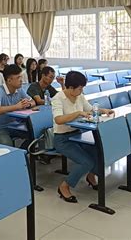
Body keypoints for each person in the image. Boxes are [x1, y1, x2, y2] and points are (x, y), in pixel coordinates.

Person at [52, 71, 114, 203]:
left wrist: (104, 111)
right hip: (62, 139)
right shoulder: (58, 98)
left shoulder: (79, 96)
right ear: (70, 88)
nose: (81, 90)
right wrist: (78, 113)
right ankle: (64, 186)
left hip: (78, 134)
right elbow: (58, 119)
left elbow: (90, 109)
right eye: (80, 88)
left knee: (98, 152)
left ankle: (90, 177)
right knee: (86, 162)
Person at [0, 64, 35, 146]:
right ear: (9, 81)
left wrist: (28, 104)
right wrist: (17, 106)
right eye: (18, 78)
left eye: (21, 77)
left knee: (34, 135)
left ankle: (21, 154)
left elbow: (33, 101)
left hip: (14, 125)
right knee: (7, 144)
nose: (21, 80)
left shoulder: (19, 89)